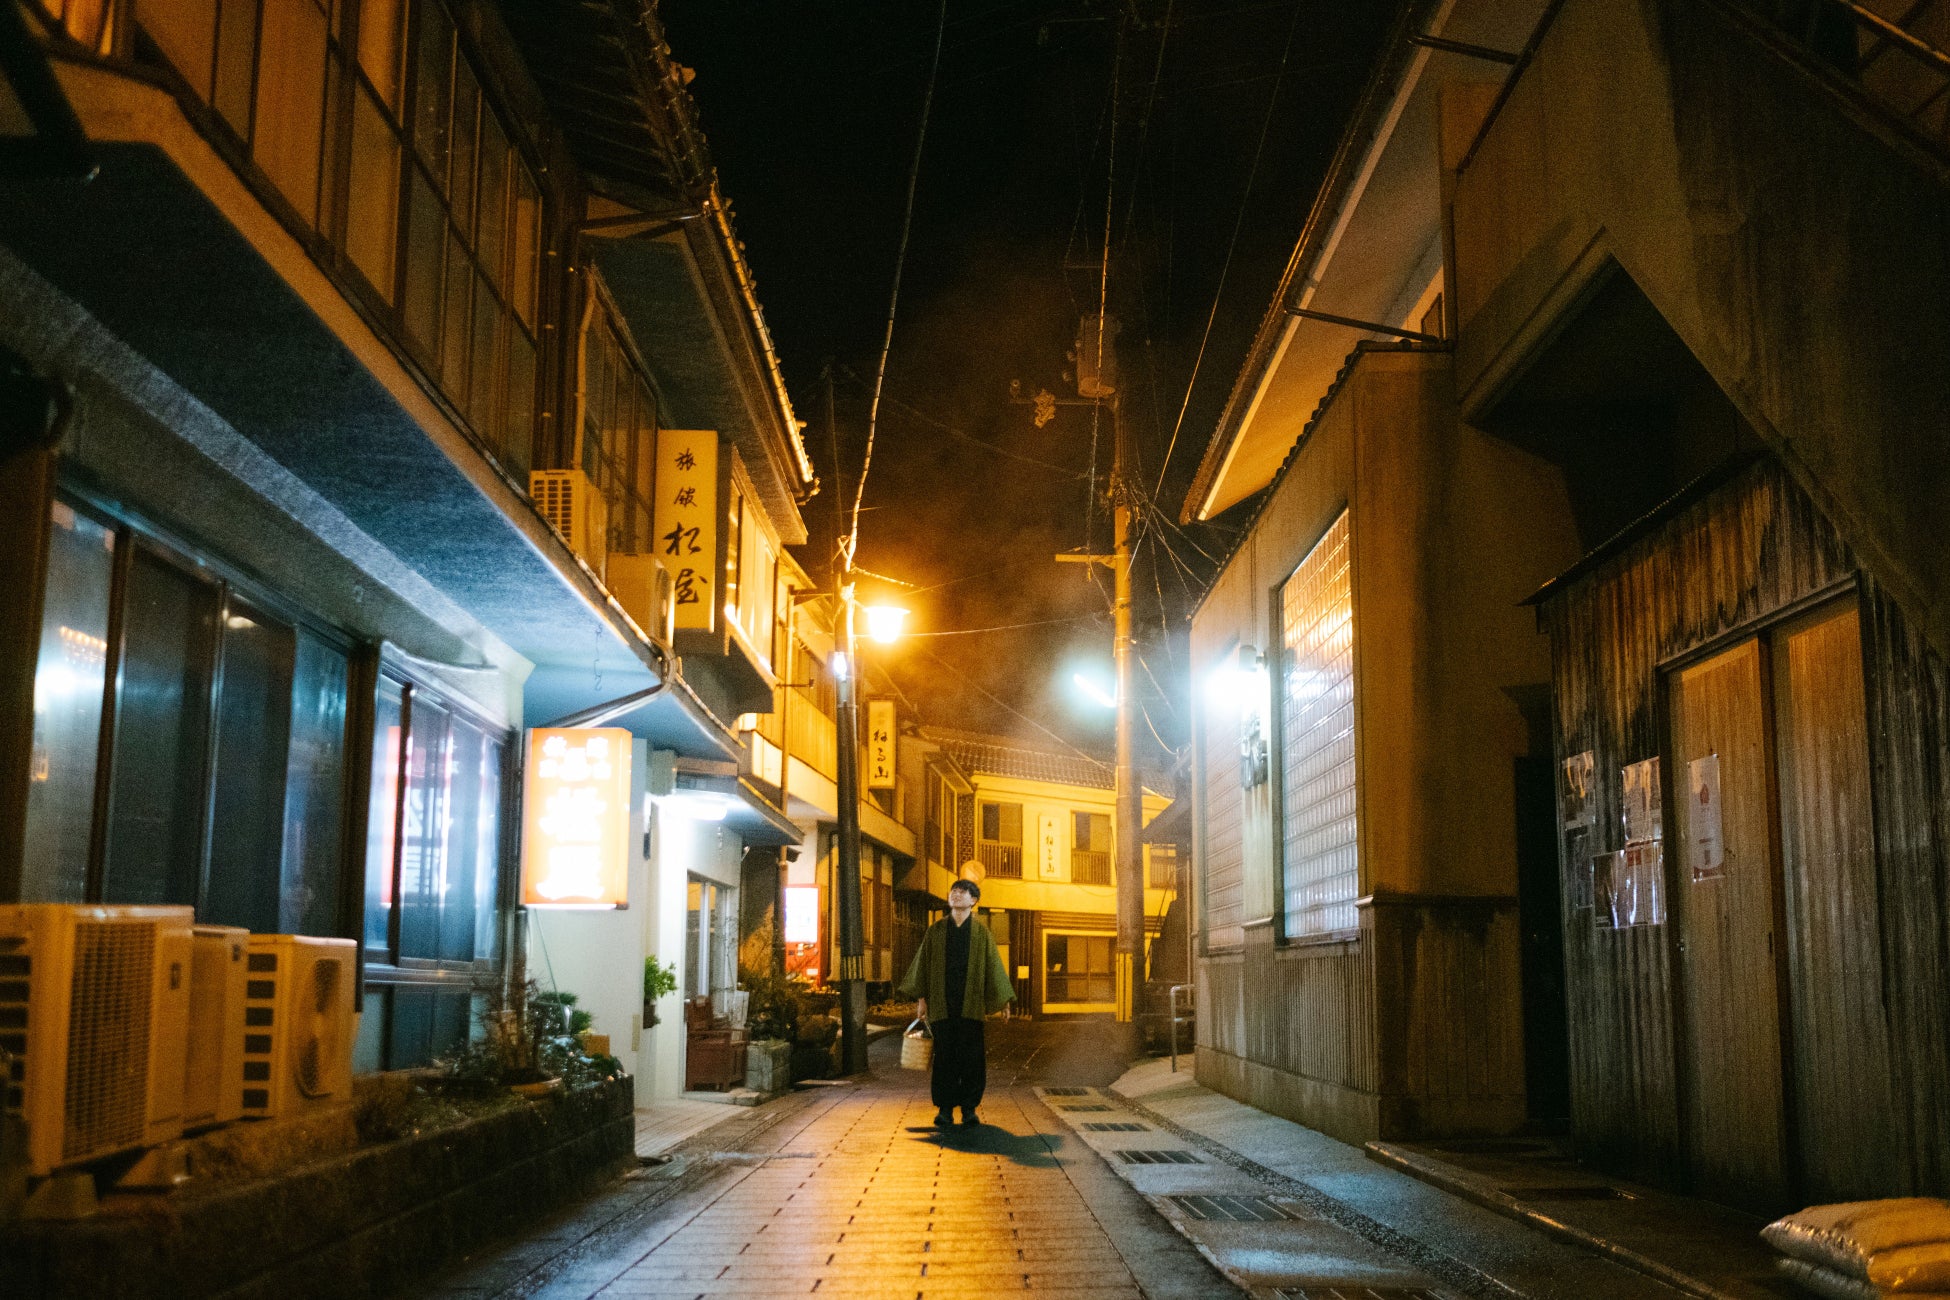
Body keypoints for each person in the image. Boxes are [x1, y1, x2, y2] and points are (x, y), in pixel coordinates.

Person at [898, 878, 1013, 1127]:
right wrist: (922, 1000)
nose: (956, 895)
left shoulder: (982, 933)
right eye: (953, 891)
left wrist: (1003, 1001)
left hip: (971, 1006)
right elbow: (924, 967)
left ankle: (969, 1108)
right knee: (944, 1059)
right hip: (942, 1005)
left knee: (972, 1059)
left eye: (963, 892)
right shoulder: (936, 930)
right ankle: (945, 1109)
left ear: (974, 900)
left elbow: (994, 969)